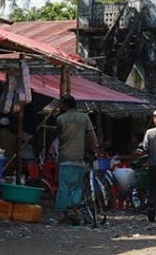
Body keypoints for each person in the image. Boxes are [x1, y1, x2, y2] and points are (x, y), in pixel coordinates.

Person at [54, 95, 98, 223]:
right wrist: (93, 149)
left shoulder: (60, 119)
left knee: (64, 186)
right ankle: (74, 210)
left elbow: (60, 137)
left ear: (66, 105)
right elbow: (91, 135)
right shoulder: (84, 117)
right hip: (80, 158)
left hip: (65, 157)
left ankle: (65, 214)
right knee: (77, 187)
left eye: (61, 104)